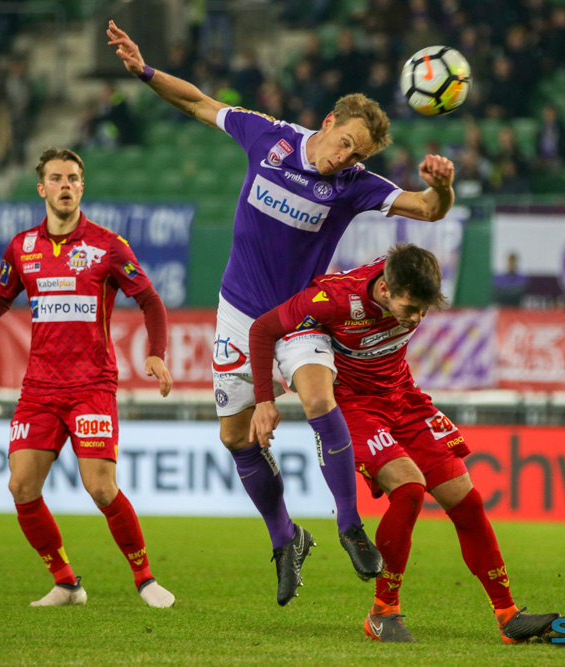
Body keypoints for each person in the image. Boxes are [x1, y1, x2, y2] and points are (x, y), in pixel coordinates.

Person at [107, 20, 456, 606]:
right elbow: (196, 101)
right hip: (238, 314)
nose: (346, 158)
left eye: (360, 155)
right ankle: (286, 538)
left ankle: (350, 526)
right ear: (327, 124)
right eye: (345, 143)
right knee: (235, 437)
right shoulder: (265, 136)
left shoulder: (353, 184)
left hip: (302, 315)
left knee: (320, 400)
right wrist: (143, 70)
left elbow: (427, 209)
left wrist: (442, 188)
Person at [247, 244, 561, 643]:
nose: (417, 318)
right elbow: (262, 330)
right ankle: (383, 613)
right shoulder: (335, 301)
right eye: (411, 309)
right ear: (384, 291)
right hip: (356, 409)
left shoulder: (409, 276)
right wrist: (263, 401)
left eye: (424, 310)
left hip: (403, 397)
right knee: (410, 490)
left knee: (467, 501)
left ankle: (509, 616)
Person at [0, 148, 176, 609]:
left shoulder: (107, 246)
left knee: (101, 488)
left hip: (92, 386)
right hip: (40, 388)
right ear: (42, 188)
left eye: (74, 178)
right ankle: (66, 583)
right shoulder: (22, 247)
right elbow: (0, 301)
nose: (66, 185)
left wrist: (156, 353)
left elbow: (152, 302)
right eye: (57, 178)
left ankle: (145, 579)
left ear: (83, 187)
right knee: (21, 487)